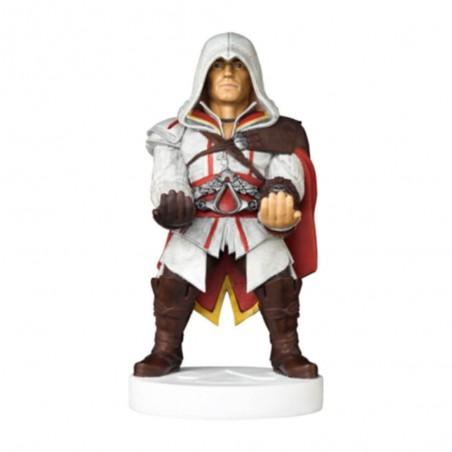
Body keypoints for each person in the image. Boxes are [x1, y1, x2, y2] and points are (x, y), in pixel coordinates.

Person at [133, 32, 319, 378]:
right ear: (204, 74)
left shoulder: (281, 132)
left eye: (238, 65)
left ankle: (286, 350)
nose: (229, 73)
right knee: (176, 273)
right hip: (197, 223)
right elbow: (167, 174)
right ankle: (165, 348)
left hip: (256, 223)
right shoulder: (175, 132)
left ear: (253, 74)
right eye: (218, 65)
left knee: (277, 274)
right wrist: (173, 198)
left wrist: (281, 195)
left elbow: (288, 172)